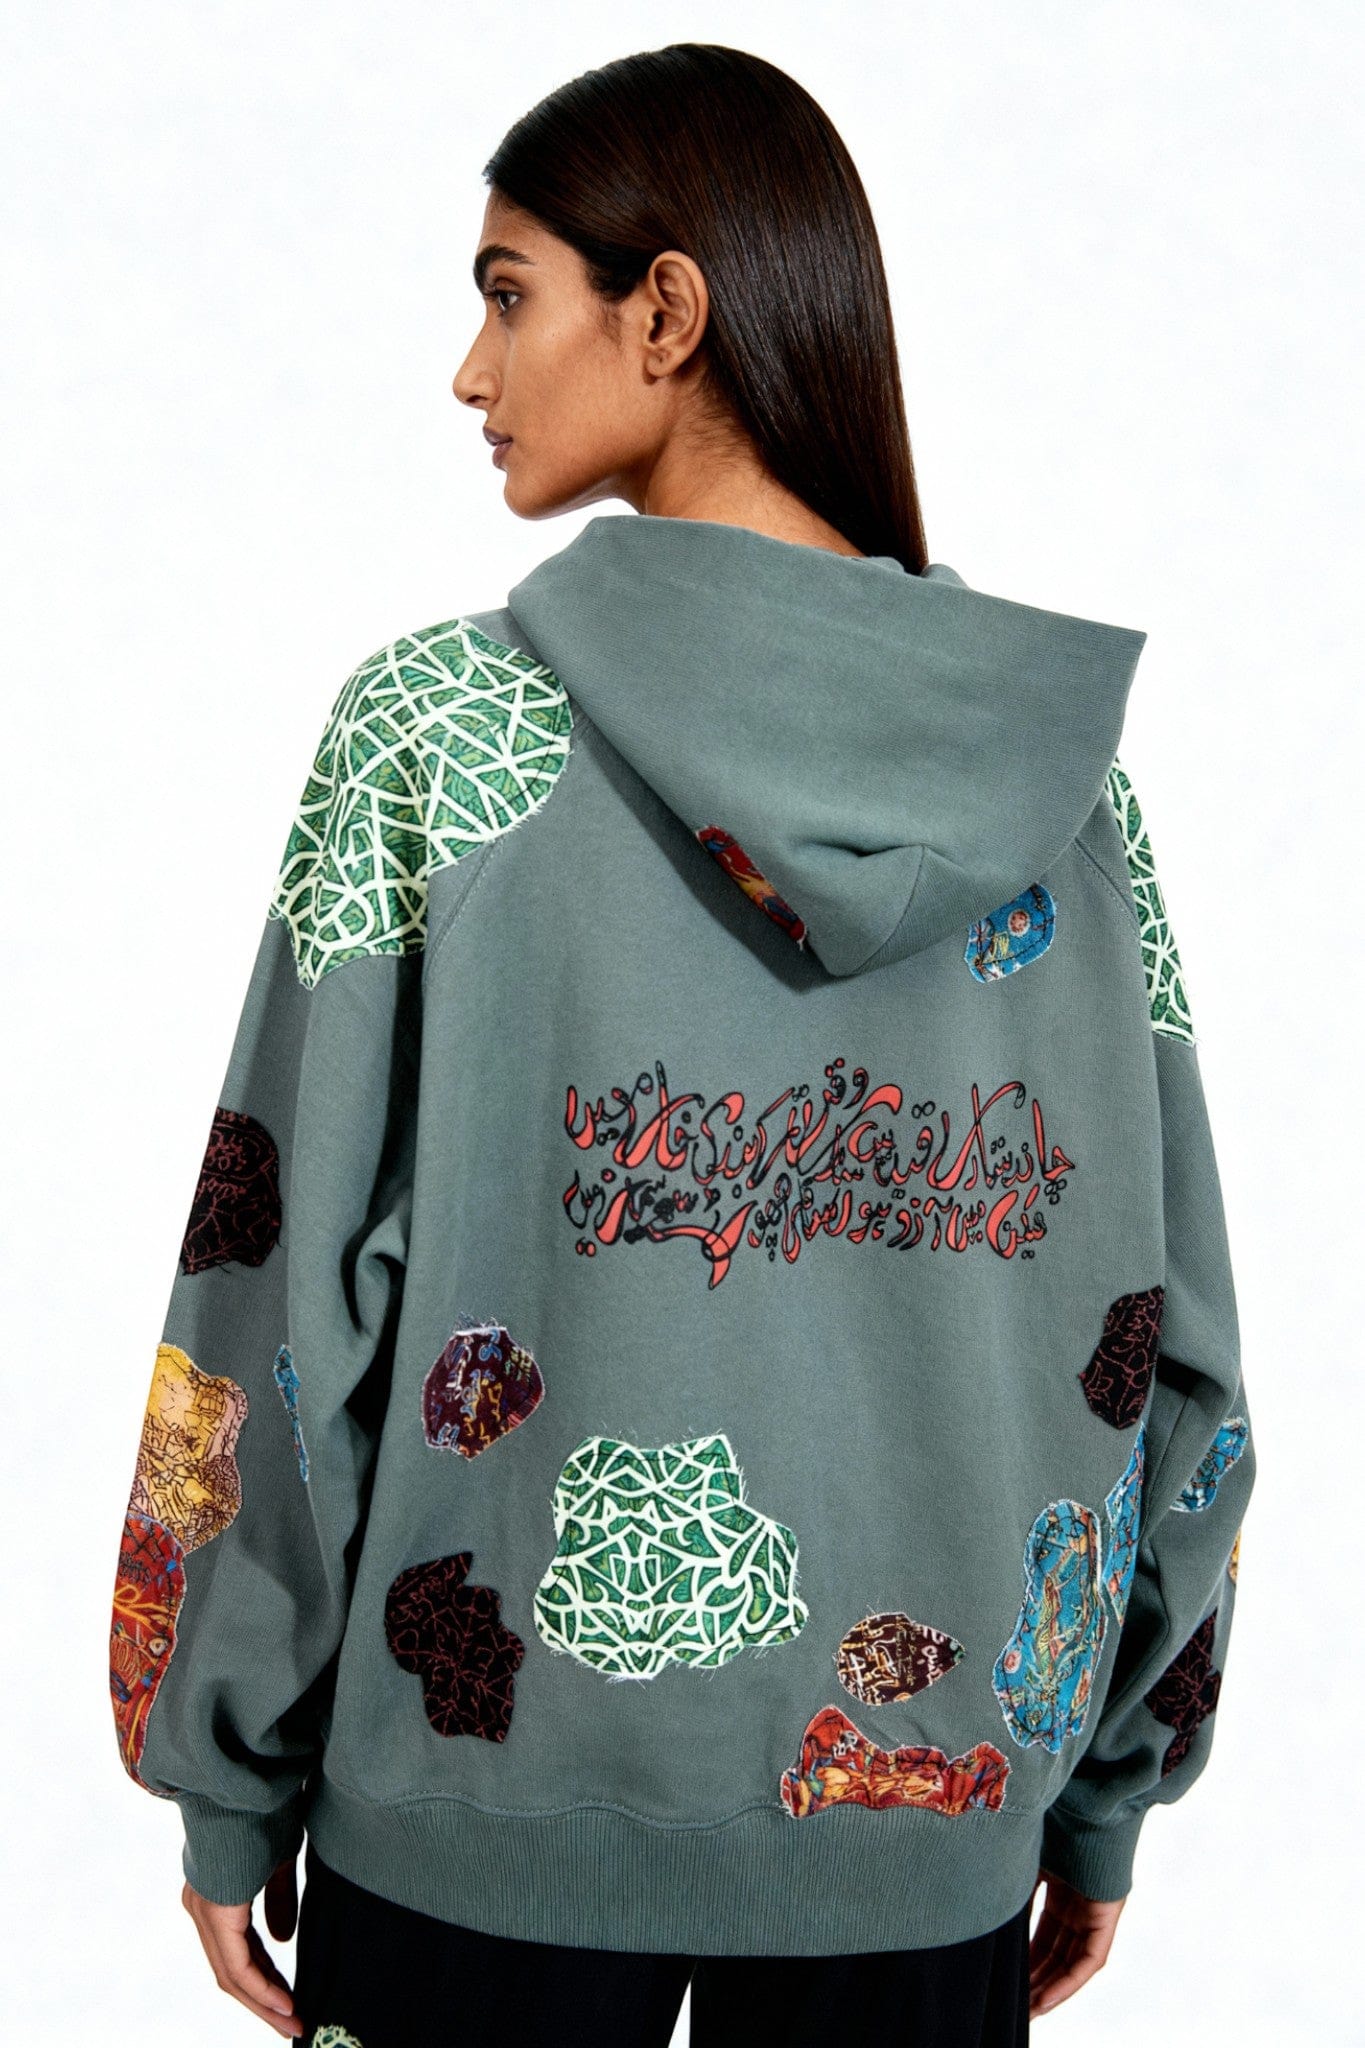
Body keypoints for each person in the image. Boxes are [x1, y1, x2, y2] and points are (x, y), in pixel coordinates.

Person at [106, 41, 1254, 2048]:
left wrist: (220, 1762)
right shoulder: (1064, 794)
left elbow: (273, 1287)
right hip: (929, 1857)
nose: (468, 372)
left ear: (664, 312)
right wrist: (1103, 1790)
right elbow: (1177, 1346)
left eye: (505, 293)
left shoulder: (437, 743)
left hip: (470, 1853)